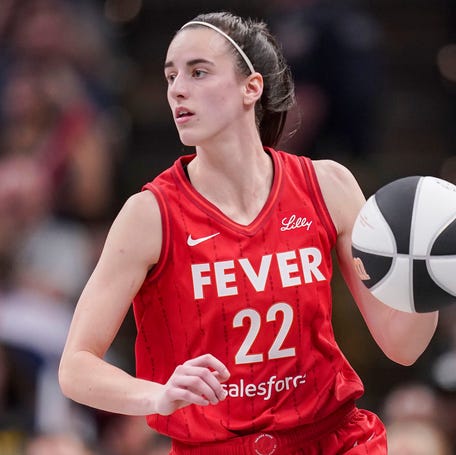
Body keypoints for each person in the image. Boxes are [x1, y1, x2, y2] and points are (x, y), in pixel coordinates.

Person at [59, 11, 439, 454]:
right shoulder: (150, 214)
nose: (177, 88)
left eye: (198, 71)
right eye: (170, 76)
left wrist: (432, 276)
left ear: (251, 87)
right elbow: (76, 366)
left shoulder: (327, 185)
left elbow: (401, 346)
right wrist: (157, 395)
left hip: (334, 440)